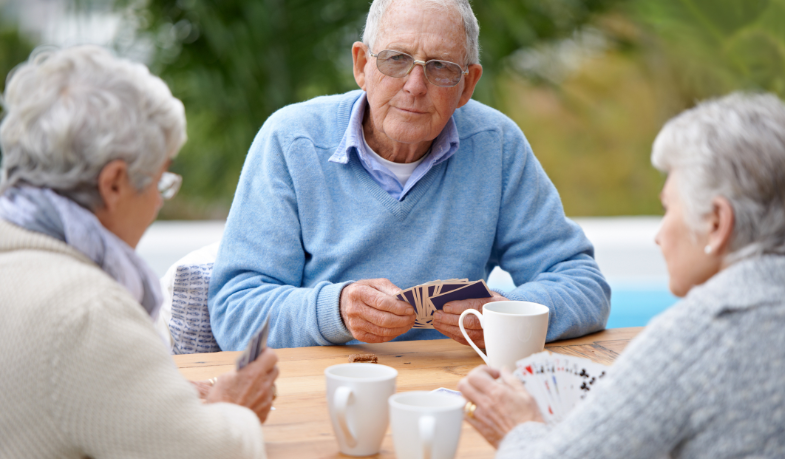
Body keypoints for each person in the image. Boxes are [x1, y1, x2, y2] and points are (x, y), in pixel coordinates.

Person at [209, 0, 611, 350]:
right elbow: (234, 311)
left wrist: (507, 314)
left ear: (467, 84)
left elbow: (585, 285)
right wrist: (334, 311)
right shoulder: (291, 140)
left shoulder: (496, 145)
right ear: (362, 65)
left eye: (440, 67)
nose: (415, 86)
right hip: (328, 384)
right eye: (396, 59)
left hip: (454, 391)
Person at [456, 93, 785, 458]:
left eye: (668, 208)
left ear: (717, 223)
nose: (659, 235)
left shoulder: (698, 339)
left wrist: (516, 428)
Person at [0, 46, 278, 458]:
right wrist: (234, 408)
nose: (158, 202)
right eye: (160, 182)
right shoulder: (88, 313)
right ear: (114, 183)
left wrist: (138, 393)